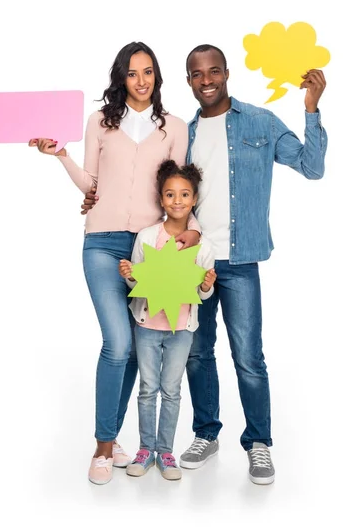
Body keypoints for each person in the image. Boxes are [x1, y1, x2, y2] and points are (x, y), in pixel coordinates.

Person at [81, 44, 327, 485]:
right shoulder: (183, 131)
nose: (207, 79)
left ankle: (259, 444)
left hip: (241, 257)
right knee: (196, 353)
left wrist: (311, 110)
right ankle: (205, 433)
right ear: (189, 81)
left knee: (249, 357)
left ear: (227, 73)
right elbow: (159, 186)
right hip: (186, 262)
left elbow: (312, 167)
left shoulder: (260, 122)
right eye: (197, 74)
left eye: (214, 71)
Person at [28, 42, 201, 485]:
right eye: (132, 73)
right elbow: (92, 183)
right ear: (120, 78)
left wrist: (193, 228)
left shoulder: (175, 127)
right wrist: (61, 155)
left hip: (151, 249)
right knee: (118, 344)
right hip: (102, 244)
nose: (141, 80)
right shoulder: (100, 123)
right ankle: (104, 446)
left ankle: (117, 439)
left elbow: (178, 189)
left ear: (157, 78)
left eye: (148, 72)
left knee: (134, 352)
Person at [118, 160, 216, 481]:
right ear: (161, 199)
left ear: (194, 199)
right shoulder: (147, 237)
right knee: (148, 389)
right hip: (147, 327)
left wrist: (205, 286)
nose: (177, 201)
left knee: (171, 391)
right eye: (170, 194)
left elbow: (201, 294)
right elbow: (136, 286)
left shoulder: (203, 245)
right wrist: (131, 276)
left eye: (184, 194)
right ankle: (146, 449)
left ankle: (167, 452)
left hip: (181, 331)